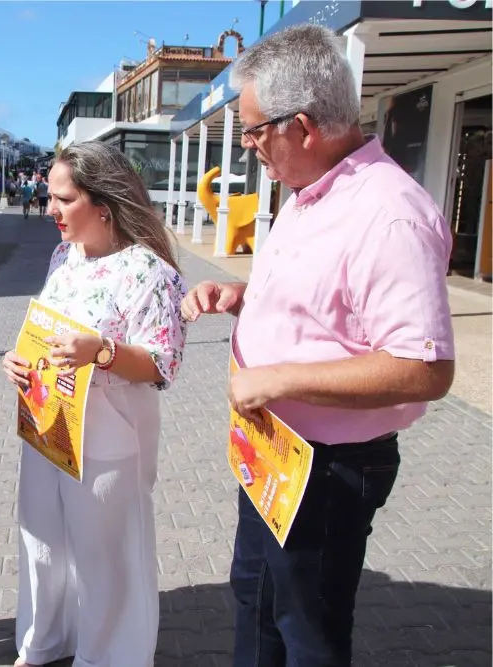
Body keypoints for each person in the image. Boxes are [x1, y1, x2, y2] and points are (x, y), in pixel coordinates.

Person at [181, 25, 455, 667]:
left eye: (253, 131)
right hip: (273, 454)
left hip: (328, 469)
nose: (249, 148)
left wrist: (277, 379)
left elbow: (424, 367)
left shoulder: (388, 215)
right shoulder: (310, 193)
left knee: (306, 632)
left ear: (302, 127)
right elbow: (327, 307)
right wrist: (243, 298)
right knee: (255, 602)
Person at [1, 141, 187, 667]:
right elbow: (45, 334)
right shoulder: (65, 256)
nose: (49, 208)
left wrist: (100, 353)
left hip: (108, 435)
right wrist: (17, 360)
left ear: (102, 203)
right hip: (46, 424)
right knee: (41, 542)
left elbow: (162, 364)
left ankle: (104, 656)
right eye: (50, 195)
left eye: (63, 198)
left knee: (102, 556)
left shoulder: (148, 272)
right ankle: (42, 642)